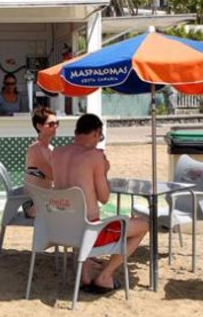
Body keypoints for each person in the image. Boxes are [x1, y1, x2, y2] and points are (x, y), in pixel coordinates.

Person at [51, 113, 149, 294]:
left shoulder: (56, 153)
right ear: (96, 132)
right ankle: (105, 275)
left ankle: (86, 275)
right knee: (143, 225)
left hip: (61, 228)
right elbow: (104, 198)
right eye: (100, 136)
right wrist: (103, 170)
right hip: (88, 232)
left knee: (81, 215)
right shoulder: (94, 156)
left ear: (77, 132)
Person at [22, 106, 57, 217]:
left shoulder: (49, 148)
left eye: (57, 123)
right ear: (39, 126)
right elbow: (54, 175)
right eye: (51, 124)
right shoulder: (36, 149)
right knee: (76, 210)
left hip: (43, 198)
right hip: (34, 204)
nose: (55, 127)